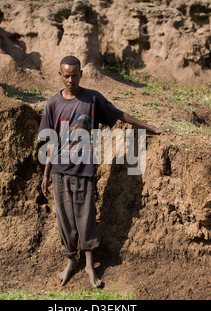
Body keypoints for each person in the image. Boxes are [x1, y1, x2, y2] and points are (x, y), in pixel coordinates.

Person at [38, 55, 172, 287]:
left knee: (86, 218)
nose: (71, 79)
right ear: (60, 75)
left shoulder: (92, 99)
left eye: (75, 75)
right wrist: (46, 172)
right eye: (66, 75)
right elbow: (50, 141)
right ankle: (70, 262)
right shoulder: (53, 104)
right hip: (60, 170)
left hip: (84, 170)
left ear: (81, 74)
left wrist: (152, 128)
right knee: (65, 221)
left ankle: (90, 266)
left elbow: (119, 114)